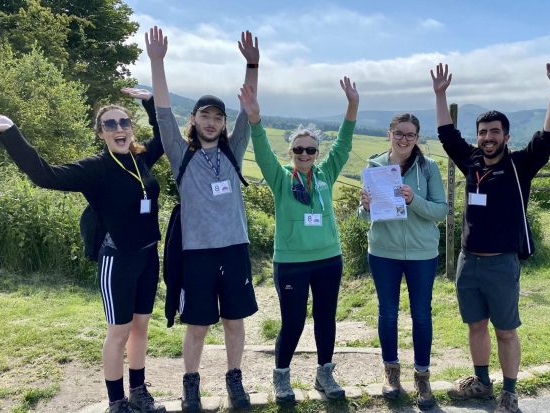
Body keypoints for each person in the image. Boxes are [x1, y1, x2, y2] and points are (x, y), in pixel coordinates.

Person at [0, 88, 167, 413]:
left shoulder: (142, 156)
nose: (118, 129)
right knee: (118, 332)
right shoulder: (95, 168)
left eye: (123, 122)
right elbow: (44, 175)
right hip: (118, 259)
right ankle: (117, 401)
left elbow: (164, 133)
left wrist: (148, 101)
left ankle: (139, 391)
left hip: (148, 256)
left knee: (141, 327)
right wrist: (11, 134)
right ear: (101, 132)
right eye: (110, 124)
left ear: (131, 128)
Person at [431, 51, 550, 413]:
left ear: (506, 135)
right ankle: (482, 382)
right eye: (482, 132)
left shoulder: (520, 165)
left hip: (501, 264)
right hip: (469, 262)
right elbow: (447, 134)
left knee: (505, 331)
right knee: (475, 326)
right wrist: (440, 95)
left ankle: (509, 392)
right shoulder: (471, 162)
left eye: (494, 132)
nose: (487, 137)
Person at [145, 26, 259, 411]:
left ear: (224, 124)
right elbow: (162, 114)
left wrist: (252, 65)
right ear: (193, 119)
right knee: (197, 325)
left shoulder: (234, 151)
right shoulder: (182, 155)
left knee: (234, 321)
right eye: (204, 116)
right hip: (197, 253)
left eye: (218, 117)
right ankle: (190, 385)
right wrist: (157, 63)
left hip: (235, 249)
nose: (211, 122)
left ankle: (234, 381)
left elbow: (248, 108)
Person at [237, 77, 358, 404]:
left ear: (317, 153)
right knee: (292, 322)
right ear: (291, 152)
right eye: (299, 149)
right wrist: (255, 119)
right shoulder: (280, 178)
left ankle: (324, 374)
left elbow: (344, 144)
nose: (305, 153)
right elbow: (261, 149)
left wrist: (352, 106)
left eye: (311, 149)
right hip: (290, 263)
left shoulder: (326, 173)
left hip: (328, 258)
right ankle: (281, 378)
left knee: (326, 319)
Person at [357, 113, 447, 409]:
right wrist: (365, 207)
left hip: (422, 253)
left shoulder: (429, 168)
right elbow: (364, 217)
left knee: (421, 314)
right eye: (399, 133)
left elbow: (441, 211)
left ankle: (422, 376)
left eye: (410, 135)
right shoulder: (374, 167)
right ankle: (391, 372)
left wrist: (413, 201)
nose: (404, 139)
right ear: (389, 133)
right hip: (383, 252)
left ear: (417, 137)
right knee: (388, 313)